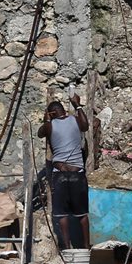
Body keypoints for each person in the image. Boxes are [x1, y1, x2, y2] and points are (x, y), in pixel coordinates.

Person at [37, 96, 90, 249]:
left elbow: (40, 133)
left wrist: (46, 120)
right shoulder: (74, 119)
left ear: (51, 113)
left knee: (61, 214)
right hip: (77, 173)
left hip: (59, 174)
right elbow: (85, 126)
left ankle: (66, 247)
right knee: (82, 214)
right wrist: (78, 105)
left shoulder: (50, 125)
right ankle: (86, 246)